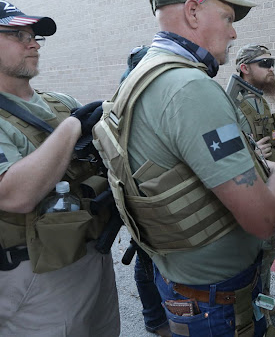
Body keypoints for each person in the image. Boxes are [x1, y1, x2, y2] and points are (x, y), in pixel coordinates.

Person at [93, 0, 275, 337]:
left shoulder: (143, 74)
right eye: (228, 17)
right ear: (193, 11)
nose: (234, 32)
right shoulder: (189, 87)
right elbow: (262, 220)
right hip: (217, 300)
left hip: (184, 282)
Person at [0, 0, 119, 336]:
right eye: (17, 34)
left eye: (34, 35)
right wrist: (71, 129)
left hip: (92, 252)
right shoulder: (67, 117)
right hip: (35, 275)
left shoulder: (61, 103)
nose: (33, 43)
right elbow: (15, 196)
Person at [234, 43, 275, 314]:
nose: (272, 69)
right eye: (265, 64)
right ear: (244, 69)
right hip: (252, 191)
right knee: (256, 255)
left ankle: (262, 300)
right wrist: (252, 152)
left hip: (268, 189)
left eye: (273, 63)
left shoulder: (257, 99)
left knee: (267, 253)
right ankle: (253, 311)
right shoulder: (236, 105)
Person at [120, 45, 171, 337]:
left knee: (149, 257)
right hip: (143, 195)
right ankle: (155, 318)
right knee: (147, 257)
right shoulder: (129, 102)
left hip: (152, 193)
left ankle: (158, 317)